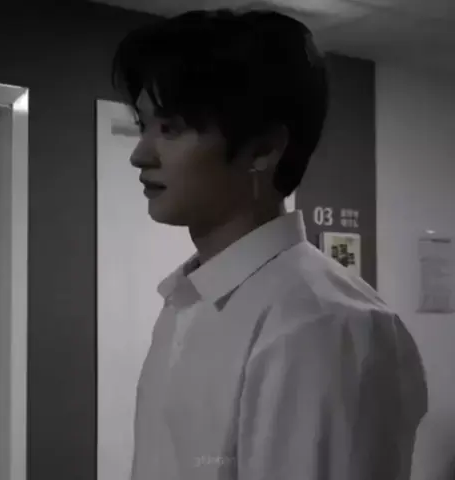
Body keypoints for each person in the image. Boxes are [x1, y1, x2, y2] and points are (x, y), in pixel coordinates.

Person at [112, 9, 427, 480]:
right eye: (144, 126)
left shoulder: (324, 324)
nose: (140, 154)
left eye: (171, 128)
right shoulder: (186, 301)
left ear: (262, 149)